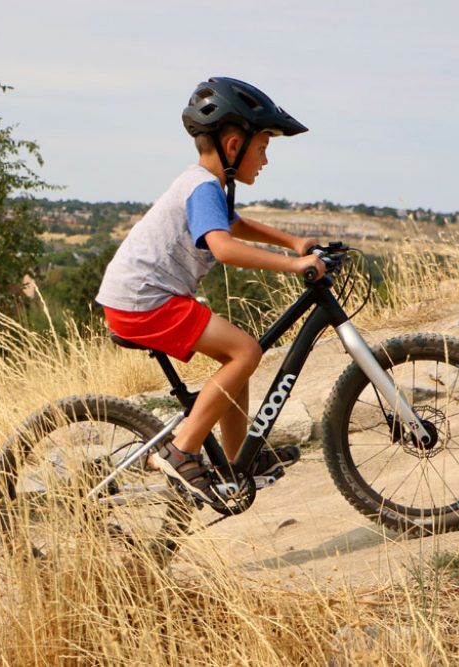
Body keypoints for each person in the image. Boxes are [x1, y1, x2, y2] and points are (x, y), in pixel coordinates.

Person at [95, 77, 325, 506]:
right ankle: (182, 451)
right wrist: (294, 264)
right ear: (234, 146)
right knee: (246, 352)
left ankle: (237, 461)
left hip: (142, 299)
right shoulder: (202, 186)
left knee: (238, 354)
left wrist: (293, 242)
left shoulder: (204, 185)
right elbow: (224, 246)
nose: (266, 159)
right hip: (144, 302)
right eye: (263, 148)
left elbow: (235, 224)